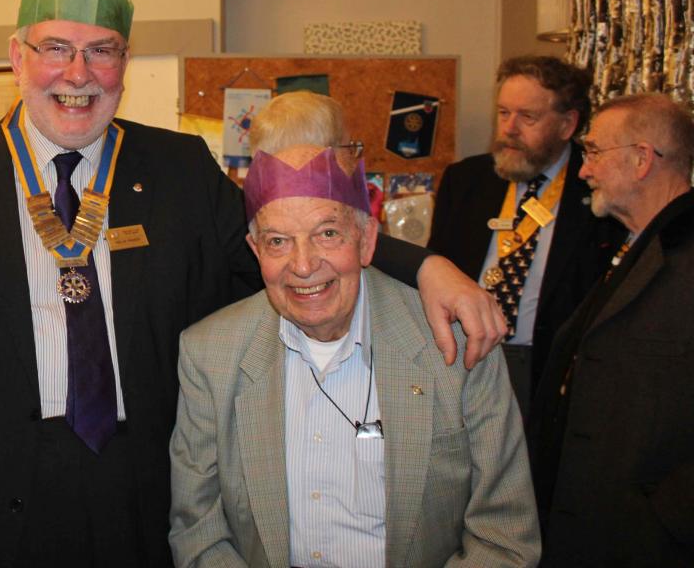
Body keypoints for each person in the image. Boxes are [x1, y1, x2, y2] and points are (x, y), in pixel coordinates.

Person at [0, 0, 502, 566]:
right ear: (18, 57)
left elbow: (287, 239)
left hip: (140, 491)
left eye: (103, 50)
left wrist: (425, 267)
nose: (79, 72)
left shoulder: (179, 169)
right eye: (56, 48)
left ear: (125, 64)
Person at [168, 92, 539, 567]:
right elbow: (199, 533)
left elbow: (504, 536)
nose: (303, 265)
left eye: (327, 234)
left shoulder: (456, 342)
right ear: (255, 250)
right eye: (279, 241)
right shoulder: (210, 355)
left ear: (366, 239)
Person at [529, 92, 694, 565]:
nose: (583, 170)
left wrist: (668, 516)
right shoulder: (631, 247)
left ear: (643, 159)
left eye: (595, 152)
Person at [430, 56, 624, 416]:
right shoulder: (466, 180)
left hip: (550, 372)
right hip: (465, 357)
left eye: (527, 117)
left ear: (568, 124)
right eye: (503, 113)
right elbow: (436, 267)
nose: (510, 129)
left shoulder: (600, 188)